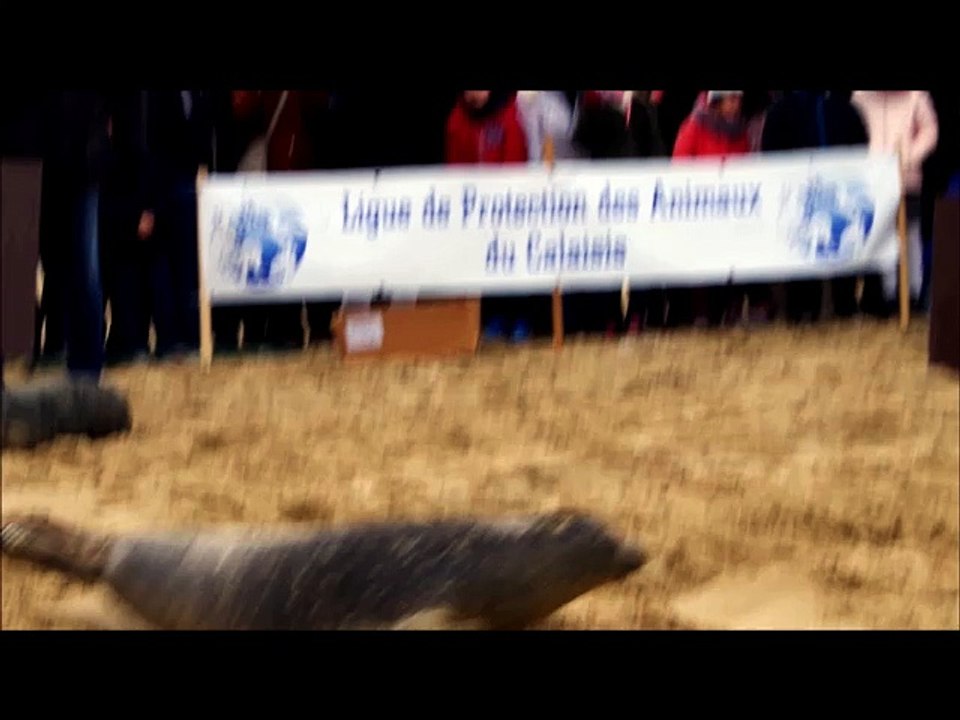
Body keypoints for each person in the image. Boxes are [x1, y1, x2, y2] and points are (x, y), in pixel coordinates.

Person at [761, 90, 871, 322]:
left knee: (841, 243)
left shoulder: (843, 108)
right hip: (800, 192)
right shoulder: (781, 110)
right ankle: (802, 310)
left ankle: (844, 306)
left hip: (840, 189)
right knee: (802, 246)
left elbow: (861, 144)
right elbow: (770, 152)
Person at [445, 91, 531, 342]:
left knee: (514, 262)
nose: (472, 94)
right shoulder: (458, 117)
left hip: (509, 203)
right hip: (476, 207)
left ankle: (520, 319)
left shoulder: (510, 113)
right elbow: (455, 164)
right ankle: (492, 318)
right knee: (484, 264)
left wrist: (503, 200)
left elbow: (515, 158)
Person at [38, 92, 112, 381]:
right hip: (45, 158)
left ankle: (88, 365)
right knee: (62, 270)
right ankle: (72, 357)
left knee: (84, 271)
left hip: (80, 162)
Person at [851, 91, 939, 318]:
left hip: (906, 176)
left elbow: (930, 131)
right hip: (873, 179)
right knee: (883, 236)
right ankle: (889, 295)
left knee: (910, 234)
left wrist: (909, 156)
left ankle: (913, 292)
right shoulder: (861, 97)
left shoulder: (915, 96)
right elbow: (854, 130)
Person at [671, 91, 752, 328]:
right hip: (702, 209)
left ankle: (730, 311)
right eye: (732, 99)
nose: (737, 104)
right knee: (704, 265)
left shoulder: (740, 130)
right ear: (717, 102)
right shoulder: (694, 126)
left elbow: (747, 164)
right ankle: (703, 314)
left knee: (731, 263)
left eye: (739, 99)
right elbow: (680, 166)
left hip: (733, 210)